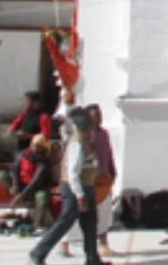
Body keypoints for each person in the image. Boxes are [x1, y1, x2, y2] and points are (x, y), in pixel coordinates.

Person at [28, 107, 105, 265]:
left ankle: (93, 259)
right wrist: (80, 195)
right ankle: (38, 253)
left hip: (86, 187)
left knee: (90, 223)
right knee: (66, 221)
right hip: (75, 188)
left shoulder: (85, 141)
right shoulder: (77, 143)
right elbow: (73, 172)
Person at [62, 104, 118, 259]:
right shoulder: (82, 137)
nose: (97, 118)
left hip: (103, 179)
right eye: (94, 116)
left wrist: (112, 171)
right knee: (75, 216)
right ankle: (65, 243)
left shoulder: (104, 134)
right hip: (86, 181)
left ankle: (102, 244)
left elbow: (108, 153)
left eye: (99, 115)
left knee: (104, 214)